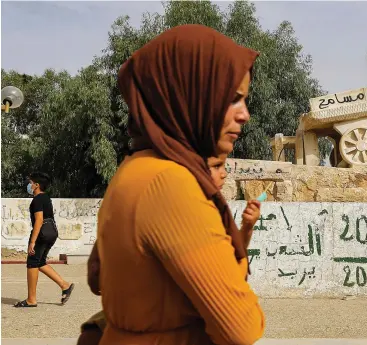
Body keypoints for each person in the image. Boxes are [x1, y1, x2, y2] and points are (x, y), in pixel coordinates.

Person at [83, 24, 264, 345]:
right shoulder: (171, 185)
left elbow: (99, 279)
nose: (244, 115)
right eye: (233, 99)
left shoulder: (134, 167)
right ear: (189, 96)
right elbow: (241, 326)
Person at [77, 154, 261, 344]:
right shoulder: (168, 204)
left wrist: (247, 227)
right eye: (216, 166)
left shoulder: (211, 212)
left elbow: (231, 262)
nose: (224, 174)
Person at [14, 172, 74, 308]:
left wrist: (32, 242)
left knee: (32, 262)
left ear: (36, 185)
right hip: (51, 232)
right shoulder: (46, 198)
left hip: (41, 233)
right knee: (40, 262)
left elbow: (39, 220)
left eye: (30, 183)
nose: (28, 185)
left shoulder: (37, 200)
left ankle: (31, 300)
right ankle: (65, 285)